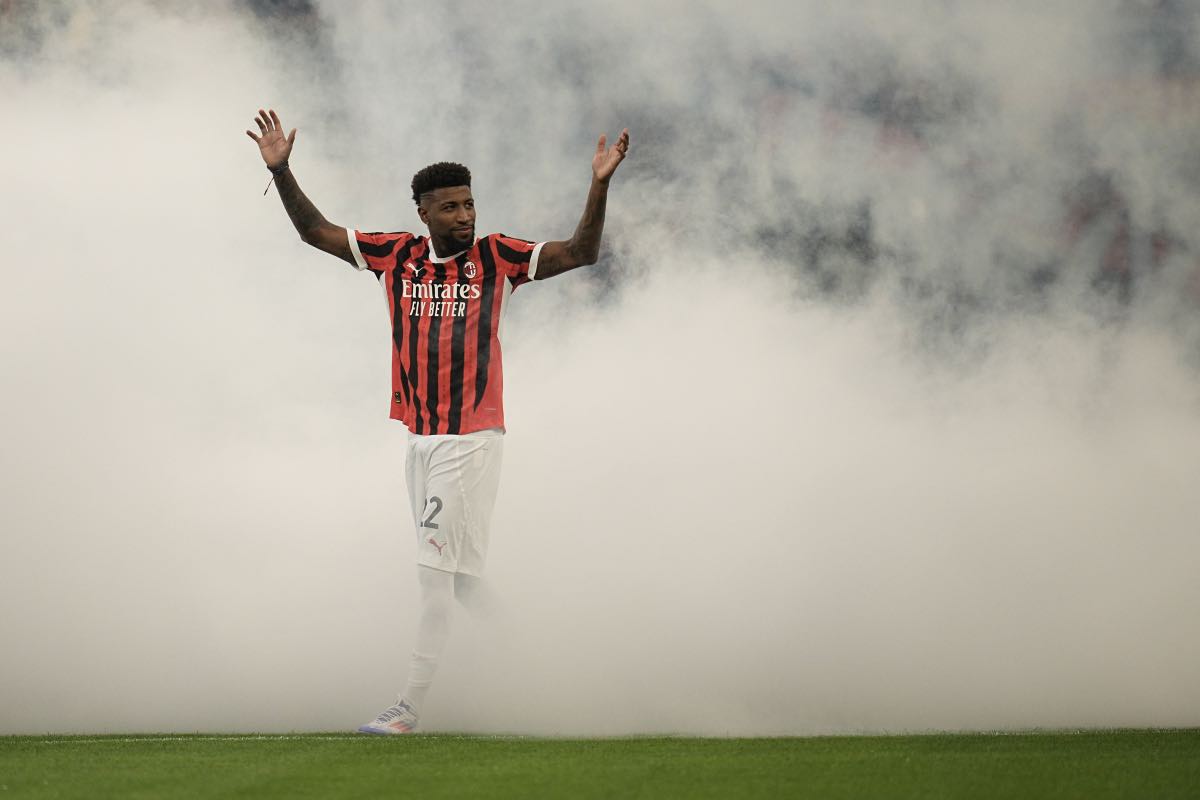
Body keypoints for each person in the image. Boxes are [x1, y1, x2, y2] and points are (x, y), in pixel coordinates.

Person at [245, 108, 629, 734]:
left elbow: (582, 252)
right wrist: (282, 171)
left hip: (470, 439)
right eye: (450, 207)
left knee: (432, 577)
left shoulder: (498, 257)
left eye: (469, 204)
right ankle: (536, 663)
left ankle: (408, 707)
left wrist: (599, 185)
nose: (464, 216)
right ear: (422, 212)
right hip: (420, 440)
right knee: (461, 579)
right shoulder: (396, 255)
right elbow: (315, 231)